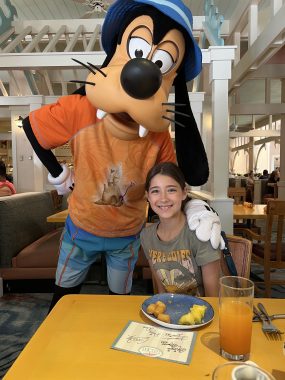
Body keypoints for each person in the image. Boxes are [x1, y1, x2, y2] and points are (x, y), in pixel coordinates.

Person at [22, 0, 224, 311]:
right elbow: (32, 127)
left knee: (120, 303)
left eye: (161, 64)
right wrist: (58, 172)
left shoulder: (157, 136)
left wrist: (195, 205)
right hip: (81, 228)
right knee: (63, 298)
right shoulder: (80, 109)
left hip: (127, 235)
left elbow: (170, 179)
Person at [140, 162, 221, 297]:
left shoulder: (201, 233)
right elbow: (161, 292)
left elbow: (213, 298)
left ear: (184, 193)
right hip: (171, 311)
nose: (163, 198)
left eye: (171, 190)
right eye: (155, 191)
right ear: (148, 196)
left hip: (203, 312)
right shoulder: (147, 236)